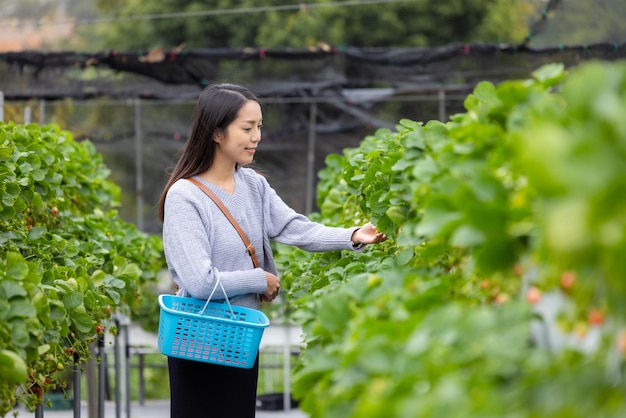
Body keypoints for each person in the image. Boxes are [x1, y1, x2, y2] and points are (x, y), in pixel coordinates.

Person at [157, 83, 387, 418]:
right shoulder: (185, 197)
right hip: (199, 341)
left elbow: (295, 228)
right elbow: (201, 282)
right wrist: (259, 280)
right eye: (247, 128)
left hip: (240, 340)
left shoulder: (254, 185)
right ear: (216, 133)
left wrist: (353, 236)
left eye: (259, 127)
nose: (257, 137)